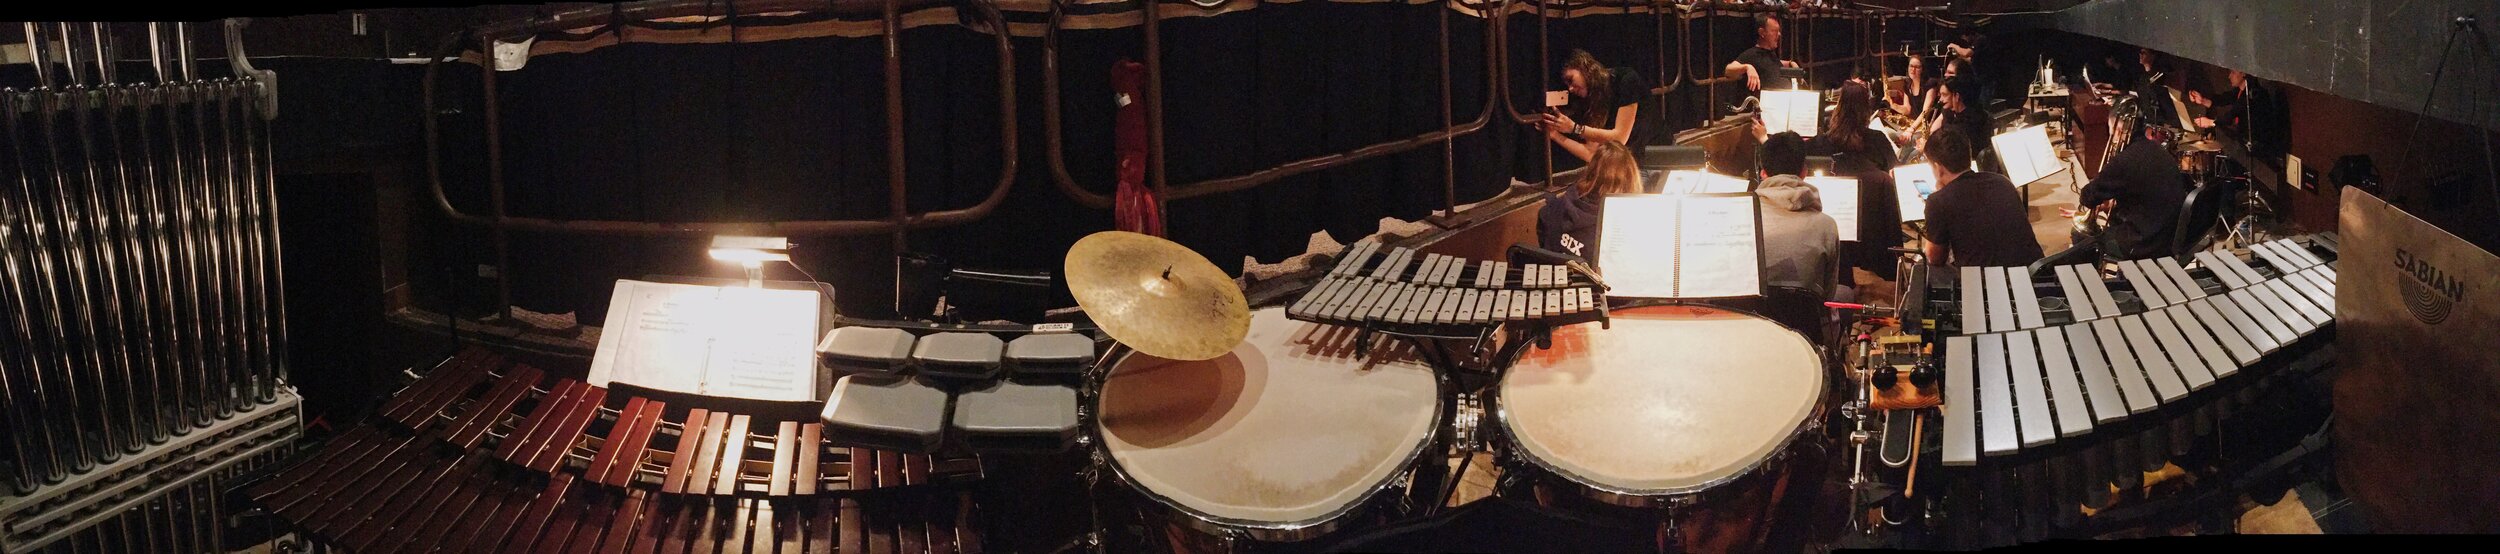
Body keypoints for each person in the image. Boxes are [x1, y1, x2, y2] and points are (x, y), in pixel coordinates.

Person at [1809, 83, 1906, 285]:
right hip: (1874, 233)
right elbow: (1896, 175)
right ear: (1866, 109)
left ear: (1839, 105)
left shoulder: (1823, 142)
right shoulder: (1878, 139)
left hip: (1834, 226)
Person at [1920, 127, 2043, 268]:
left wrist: (1939, 199)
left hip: (1988, 282)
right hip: (2034, 273)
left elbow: (1935, 258)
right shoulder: (2002, 181)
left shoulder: (1937, 202)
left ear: (1938, 167)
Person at [2069, 125, 2188, 260]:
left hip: (2147, 243)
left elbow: (2088, 197)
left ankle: (2088, 280)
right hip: (2172, 234)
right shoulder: (2157, 149)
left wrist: (2086, 208)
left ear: (2119, 130)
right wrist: (2109, 205)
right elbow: (2145, 194)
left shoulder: (2125, 160)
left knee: (2080, 235)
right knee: (2114, 219)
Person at [1755, 132, 1841, 302]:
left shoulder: (1742, 219)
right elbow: (1828, 295)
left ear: (1763, 173)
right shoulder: (1827, 225)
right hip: (1805, 325)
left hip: (1749, 320)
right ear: (1804, 171)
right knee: (1845, 293)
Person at [1539, 50, 1665, 163]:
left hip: (1655, 158)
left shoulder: (1626, 80)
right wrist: (1555, 134)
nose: (1570, 88)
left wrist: (1574, 128)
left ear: (1584, 68)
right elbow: (1591, 154)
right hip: (1627, 164)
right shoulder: (1591, 99)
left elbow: (1620, 138)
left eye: (1571, 79)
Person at [1538, 141, 1643, 265]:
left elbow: (1543, 232)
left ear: (1591, 170)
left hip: (1555, 277)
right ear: (1631, 178)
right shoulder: (1621, 232)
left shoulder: (1555, 206)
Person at [2191, 69, 2289, 163]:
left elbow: (2229, 117)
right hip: (2245, 142)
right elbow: (2222, 99)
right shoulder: (2240, 90)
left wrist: (2210, 122)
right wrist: (2202, 100)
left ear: (2243, 73)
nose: (2229, 76)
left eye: (2233, 72)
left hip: (2259, 147)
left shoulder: (2253, 94)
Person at [1725, 14, 1800, 94]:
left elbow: (1770, 64)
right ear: (1762, 32)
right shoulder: (1752, 54)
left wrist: (1791, 63)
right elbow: (1728, 70)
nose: (1779, 34)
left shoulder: (1770, 54)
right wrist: (1747, 67)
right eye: (1774, 31)